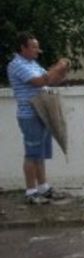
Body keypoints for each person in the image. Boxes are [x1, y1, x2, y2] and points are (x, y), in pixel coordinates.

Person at [6, 32, 71, 205]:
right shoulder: (17, 65)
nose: (38, 50)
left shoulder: (32, 63)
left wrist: (62, 70)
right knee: (32, 154)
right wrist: (58, 66)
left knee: (40, 154)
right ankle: (31, 191)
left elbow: (50, 80)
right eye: (34, 47)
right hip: (30, 114)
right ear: (23, 48)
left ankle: (43, 188)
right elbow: (39, 81)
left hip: (42, 112)